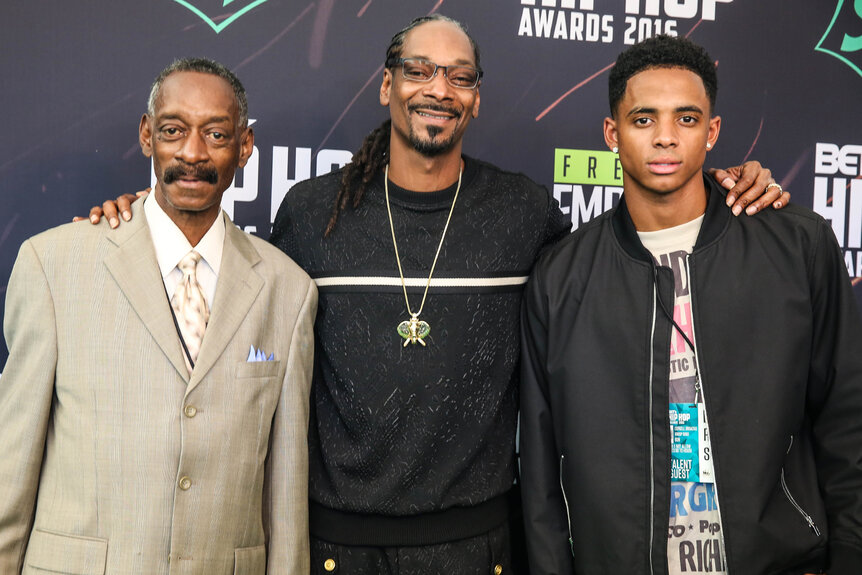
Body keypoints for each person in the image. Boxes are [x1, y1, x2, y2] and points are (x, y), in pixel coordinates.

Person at [85, 16, 785, 574]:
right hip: (333, 541)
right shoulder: (311, 211)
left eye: (458, 76)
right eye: (418, 70)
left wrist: (725, 190)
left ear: (476, 97)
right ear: (386, 85)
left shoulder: (524, 212)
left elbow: (618, 265)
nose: (437, 88)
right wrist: (141, 217)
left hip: (479, 543)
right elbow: (234, 298)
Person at [520, 34, 862, 575]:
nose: (664, 138)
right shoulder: (560, 277)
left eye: (685, 118)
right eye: (642, 119)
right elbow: (538, 468)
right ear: (612, 133)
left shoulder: (798, 246)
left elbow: (848, 423)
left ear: (712, 132)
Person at [0, 58, 316, 574]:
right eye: (174, 130)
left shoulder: (289, 291)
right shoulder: (52, 265)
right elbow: (9, 469)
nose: (192, 153)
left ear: (245, 147)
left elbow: (285, 491)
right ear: (148, 136)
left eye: (216, 134)